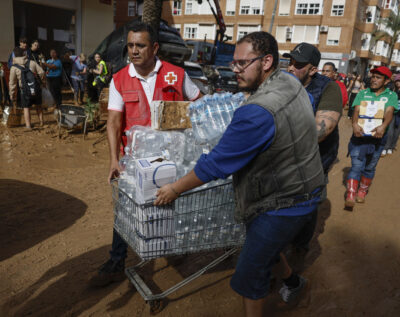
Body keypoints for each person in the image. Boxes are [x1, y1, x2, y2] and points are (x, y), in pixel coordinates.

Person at [155, 31, 324, 316]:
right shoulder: (290, 82)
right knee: (265, 250)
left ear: (267, 61)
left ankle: (295, 291)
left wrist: (174, 189)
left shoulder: (258, 111)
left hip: (284, 201)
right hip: (307, 186)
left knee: (249, 273)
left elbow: (216, 164)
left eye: (242, 63)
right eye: (233, 63)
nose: (235, 70)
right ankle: (295, 283)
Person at [89, 22, 202, 287]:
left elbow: (200, 107)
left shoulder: (176, 75)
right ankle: (117, 260)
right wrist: (114, 160)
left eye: (140, 45)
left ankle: (174, 249)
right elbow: (114, 123)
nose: (134, 51)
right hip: (133, 160)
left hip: (172, 160)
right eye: (130, 45)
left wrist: (185, 129)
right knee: (125, 209)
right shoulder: (119, 79)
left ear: (154, 48)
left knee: (172, 206)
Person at [282, 43, 342, 255]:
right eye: (289, 62)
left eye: (297, 64)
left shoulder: (328, 88)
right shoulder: (282, 84)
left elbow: (323, 130)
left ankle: (300, 245)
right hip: (283, 159)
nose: (290, 67)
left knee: (307, 204)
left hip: (315, 159)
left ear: (312, 69)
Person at [345, 66, 397, 208]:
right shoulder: (363, 93)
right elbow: (356, 110)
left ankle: (362, 190)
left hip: (378, 139)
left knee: (369, 167)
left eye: (378, 77)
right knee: (356, 166)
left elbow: (389, 111)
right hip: (359, 137)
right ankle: (351, 194)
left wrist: (383, 126)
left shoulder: (391, 96)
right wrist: (355, 124)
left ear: (386, 81)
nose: (374, 79)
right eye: (373, 76)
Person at [8, 47, 45, 128]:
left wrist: (12, 94)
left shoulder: (14, 67)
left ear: (14, 55)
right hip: (36, 88)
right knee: (38, 105)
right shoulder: (32, 62)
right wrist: (41, 81)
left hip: (24, 91)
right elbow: (42, 72)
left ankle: (28, 125)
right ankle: (41, 122)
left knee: (26, 107)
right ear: (23, 54)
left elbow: (12, 83)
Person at [382, 73, 400, 156]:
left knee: (396, 133)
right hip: (391, 113)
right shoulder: (391, 90)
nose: (398, 82)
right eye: (396, 80)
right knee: (390, 131)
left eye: (399, 80)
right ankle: (385, 147)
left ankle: (391, 147)